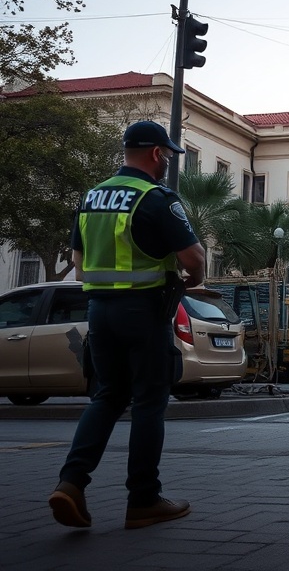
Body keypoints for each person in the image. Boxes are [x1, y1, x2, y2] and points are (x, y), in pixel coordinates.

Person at [48, 120, 205, 530]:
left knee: (107, 396)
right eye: (167, 155)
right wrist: (193, 279)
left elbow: (80, 265)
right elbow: (194, 260)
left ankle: (71, 482)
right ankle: (144, 499)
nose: (168, 161)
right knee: (150, 402)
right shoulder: (155, 198)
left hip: (99, 311)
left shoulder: (91, 197)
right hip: (145, 312)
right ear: (156, 154)